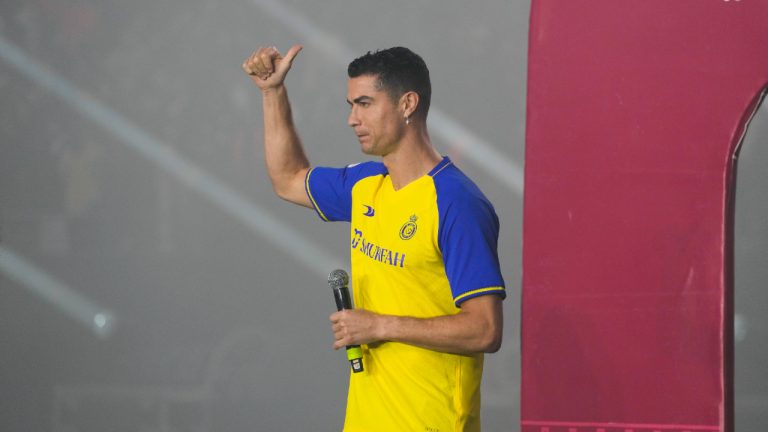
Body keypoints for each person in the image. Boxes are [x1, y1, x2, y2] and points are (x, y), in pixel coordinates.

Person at [242, 44, 506, 432]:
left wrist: (380, 326)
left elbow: (485, 329)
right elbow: (287, 179)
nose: (352, 118)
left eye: (365, 103)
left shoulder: (456, 202)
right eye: (351, 105)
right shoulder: (367, 184)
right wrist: (271, 93)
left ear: (407, 104)